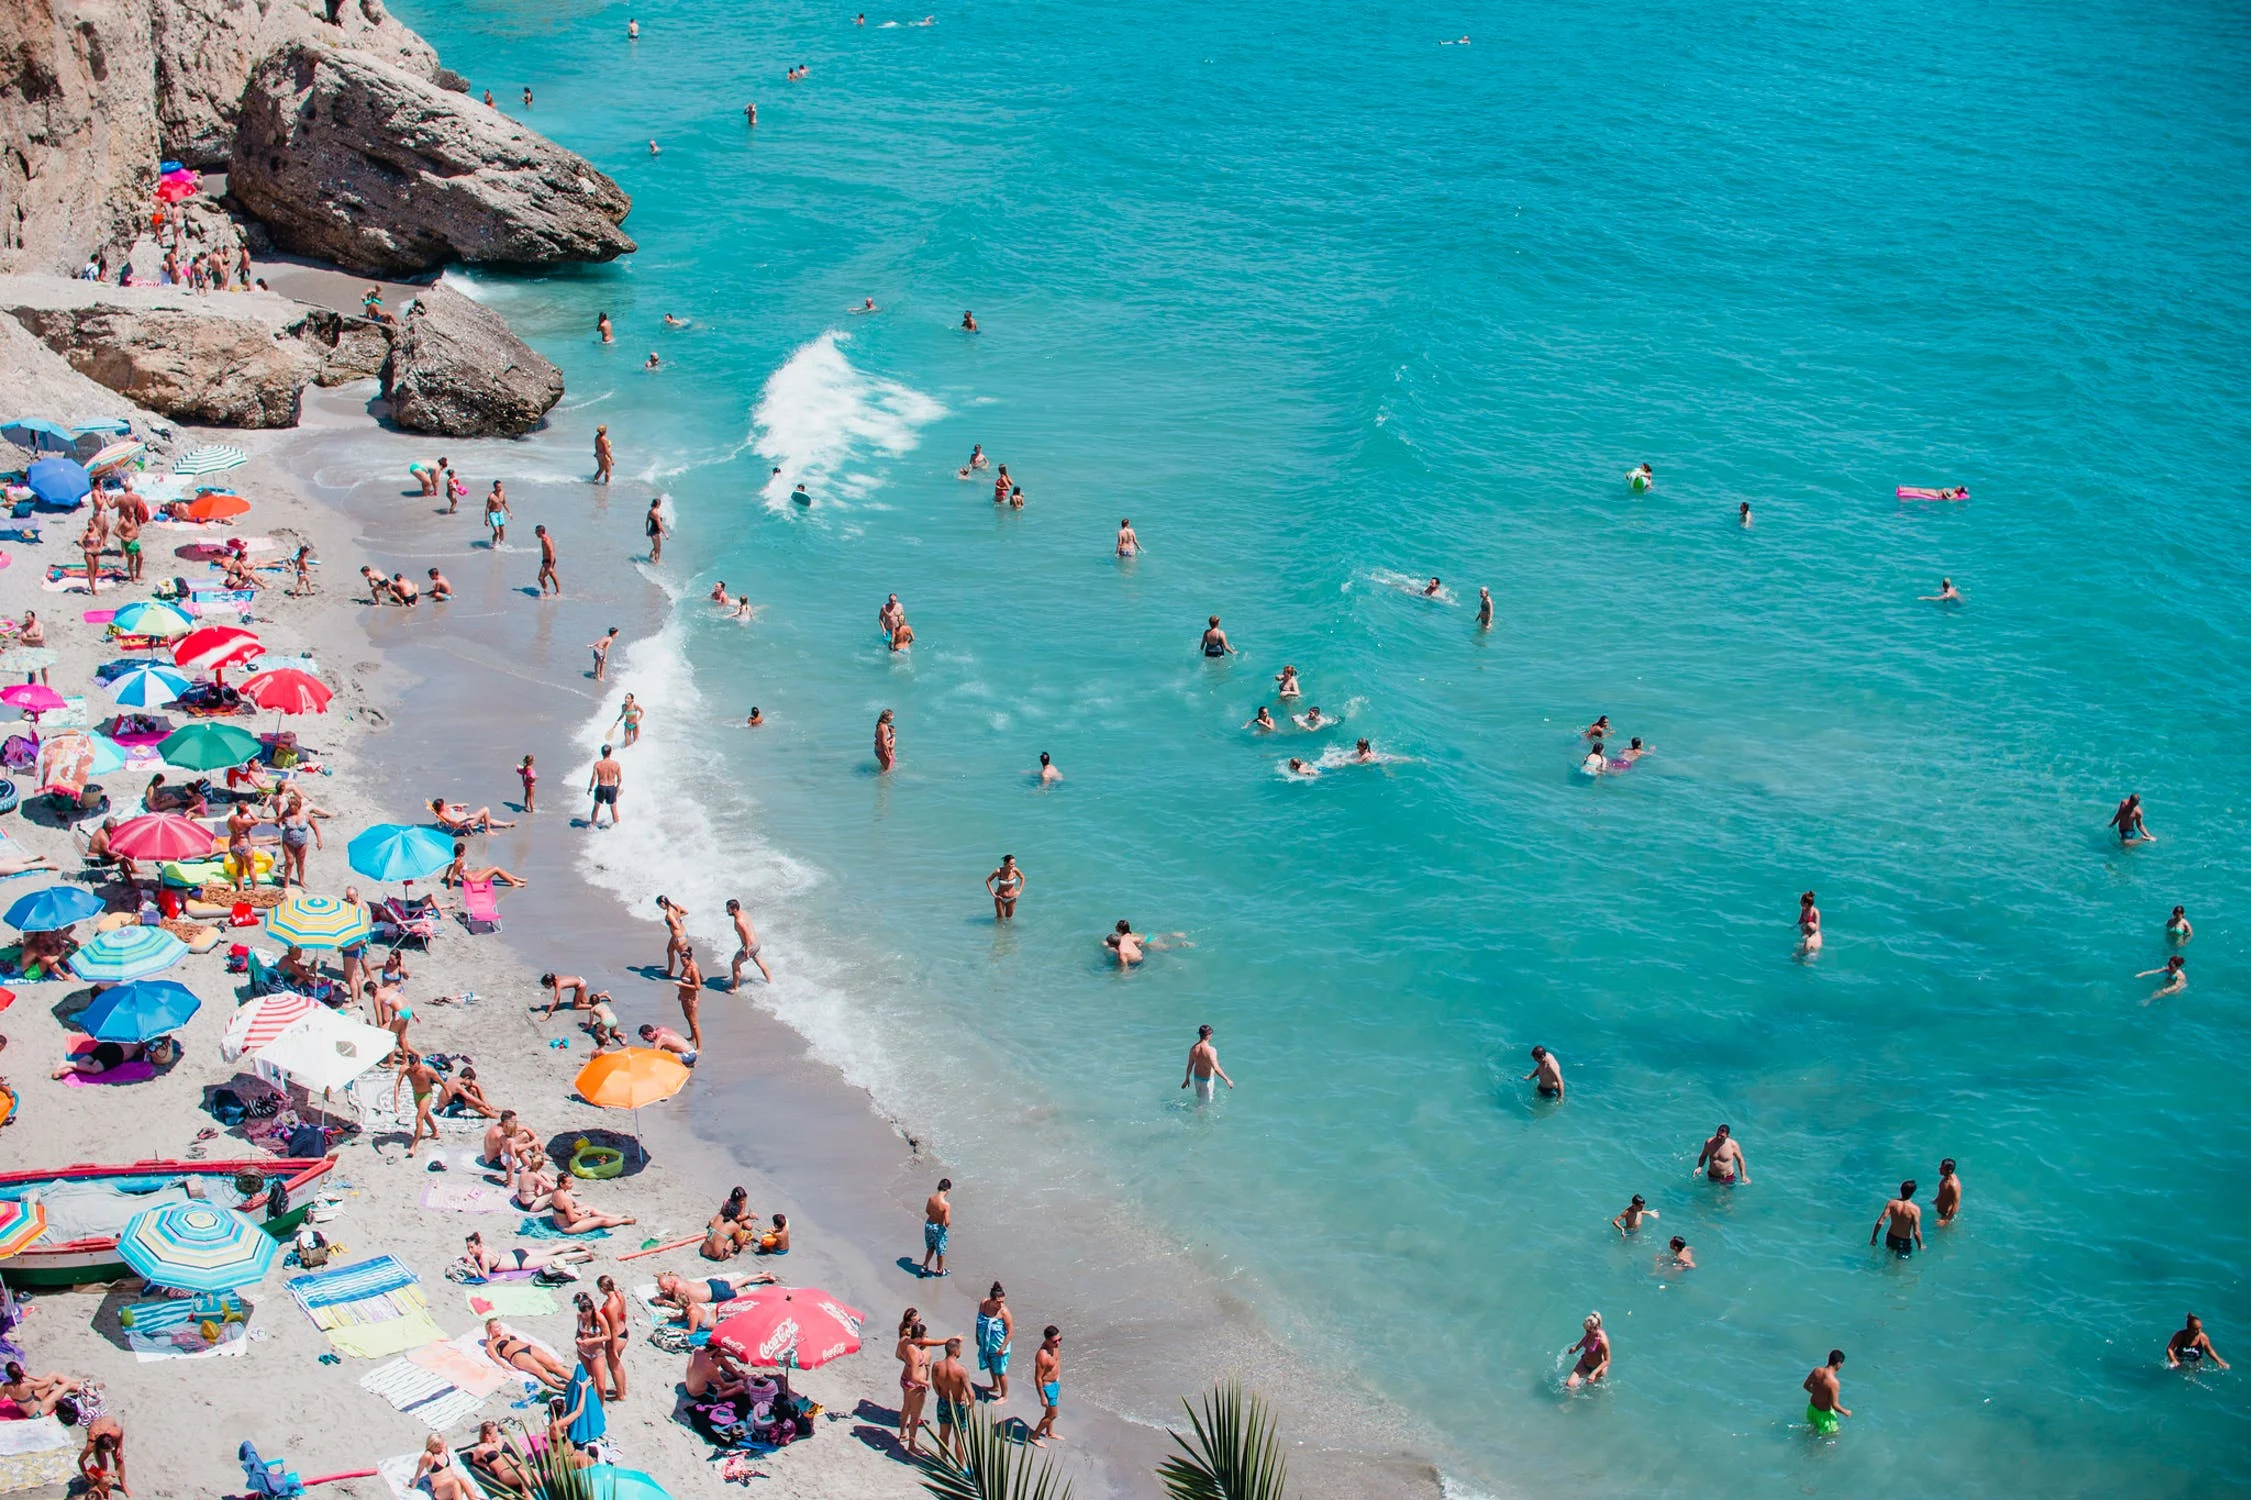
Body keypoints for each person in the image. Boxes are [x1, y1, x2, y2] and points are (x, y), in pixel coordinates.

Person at [897, 1315, 947, 1455]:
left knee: (906, 1407)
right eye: (924, 1336)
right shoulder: (914, 1352)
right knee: (915, 1415)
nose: (926, 1338)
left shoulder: (904, 1340)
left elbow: (898, 1355)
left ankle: (902, 1434)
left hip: (905, 1379)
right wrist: (925, 1382)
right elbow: (914, 1376)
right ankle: (912, 1445)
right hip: (915, 1385)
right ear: (919, 1338)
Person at [483, 1319, 574, 1391]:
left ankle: (575, 1379)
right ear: (490, 1329)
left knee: (554, 1365)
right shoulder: (490, 1343)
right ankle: (560, 1387)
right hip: (517, 1355)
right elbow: (496, 1358)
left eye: (500, 1326)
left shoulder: (507, 1334)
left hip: (529, 1348)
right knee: (540, 1370)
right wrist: (506, 1366)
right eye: (496, 1327)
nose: (499, 1328)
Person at [931, 1337, 975, 1462]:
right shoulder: (961, 1371)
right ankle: (960, 1467)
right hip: (958, 1405)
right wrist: (969, 1406)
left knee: (943, 1434)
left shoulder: (936, 1366)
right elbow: (971, 1394)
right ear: (956, 1351)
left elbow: (935, 1385)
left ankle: (943, 1460)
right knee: (959, 1438)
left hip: (943, 1402)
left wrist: (941, 1395)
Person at [549, 1176, 636, 1234]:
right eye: (569, 1183)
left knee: (588, 1207)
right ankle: (623, 1221)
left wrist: (578, 1211)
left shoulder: (556, 1191)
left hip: (557, 1221)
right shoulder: (565, 1198)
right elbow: (572, 1219)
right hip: (567, 1227)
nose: (572, 1185)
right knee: (601, 1221)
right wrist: (584, 1216)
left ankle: (615, 1216)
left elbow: (563, 1210)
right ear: (561, 1184)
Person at [0, 1362, 84, 1416]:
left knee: (53, 1374)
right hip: (38, 1411)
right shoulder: (27, 1385)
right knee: (67, 1384)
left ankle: (79, 1382)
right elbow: (46, 1383)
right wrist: (29, 1376)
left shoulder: (5, 1386)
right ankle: (85, 1388)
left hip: (30, 1405)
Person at [976, 1283, 1014, 1401]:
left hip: (999, 1346)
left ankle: (1004, 1396)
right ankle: (995, 1386)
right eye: (998, 1302)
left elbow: (1010, 1331)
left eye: (1002, 1301)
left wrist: (1002, 1347)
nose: (1001, 1304)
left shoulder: (1004, 1312)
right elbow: (978, 1321)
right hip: (987, 1343)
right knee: (991, 1365)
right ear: (991, 1300)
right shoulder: (984, 1304)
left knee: (1000, 1371)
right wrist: (977, 1336)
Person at [76, 1414, 126, 1499]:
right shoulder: (91, 1446)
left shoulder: (114, 1432)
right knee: (103, 1466)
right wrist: (86, 1475)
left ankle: (124, 1485)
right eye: (107, 1451)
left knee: (119, 1459)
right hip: (95, 1429)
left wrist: (119, 1448)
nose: (110, 1452)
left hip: (108, 1422)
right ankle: (105, 1488)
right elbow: (80, 1461)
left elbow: (121, 1431)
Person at [1871, 1180, 1924, 1256]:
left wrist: (1874, 1237)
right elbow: (1916, 1232)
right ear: (1912, 1192)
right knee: (1901, 1265)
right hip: (1904, 1241)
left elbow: (1880, 1222)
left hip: (1890, 1237)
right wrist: (1920, 1245)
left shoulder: (1892, 1203)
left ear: (1901, 1190)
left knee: (1888, 1258)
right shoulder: (1915, 1209)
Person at [413, 1433, 474, 1500]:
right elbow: (418, 1473)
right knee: (455, 1483)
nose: (442, 1446)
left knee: (463, 1480)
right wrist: (413, 1486)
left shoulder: (443, 1449)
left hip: (454, 1488)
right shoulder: (428, 1456)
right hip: (441, 1492)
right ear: (433, 1446)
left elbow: (443, 1441)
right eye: (439, 1445)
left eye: (442, 1444)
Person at [727, 898, 771, 986]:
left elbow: (746, 934)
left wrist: (747, 950)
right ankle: (770, 982)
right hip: (756, 942)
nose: (727, 911)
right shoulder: (744, 913)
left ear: (734, 909)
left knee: (735, 963)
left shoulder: (739, 920)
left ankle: (735, 987)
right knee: (759, 961)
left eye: (728, 909)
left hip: (749, 945)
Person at [1182, 1023, 1233, 1101]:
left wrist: (1187, 1079)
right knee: (1207, 1103)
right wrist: (1227, 1079)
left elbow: (1190, 1066)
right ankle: (1197, 1112)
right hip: (1207, 1080)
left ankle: (1198, 1110)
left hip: (1197, 1078)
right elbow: (1216, 1068)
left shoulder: (1193, 1049)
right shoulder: (1211, 1050)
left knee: (1199, 1099)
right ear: (1208, 1035)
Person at [1804, 1350, 1850, 1434]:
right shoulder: (1834, 1383)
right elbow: (1834, 1405)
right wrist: (1846, 1412)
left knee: (1811, 1432)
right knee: (1831, 1438)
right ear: (1838, 1364)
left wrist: (1818, 1394)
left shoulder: (1816, 1371)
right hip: (1825, 1416)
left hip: (1812, 1410)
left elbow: (1806, 1386)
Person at [1031, 1325, 1062, 1444]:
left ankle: (1049, 1432)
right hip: (1048, 1387)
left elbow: (1056, 1363)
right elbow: (1038, 1378)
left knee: (1049, 1412)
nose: (1058, 1343)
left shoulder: (1054, 1347)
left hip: (1055, 1384)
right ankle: (1034, 1436)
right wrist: (1042, 1397)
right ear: (1047, 1340)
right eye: (1055, 1341)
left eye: (1060, 1339)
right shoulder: (1042, 1356)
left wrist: (1058, 1378)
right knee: (1053, 1415)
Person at [1564, 1313, 1609, 1388]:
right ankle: (1569, 1400)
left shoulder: (1603, 1341)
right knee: (1569, 1385)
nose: (1587, 1332)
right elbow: (1585, 1338)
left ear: (1595, 1328)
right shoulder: (1590, 1332)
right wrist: (1576, 1348)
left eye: (1588, 1331)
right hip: (1585, 1363)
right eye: (1586, 1330)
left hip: (1598, 1368)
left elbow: (1607, 1360)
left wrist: (1594, 1373)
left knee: (1593, 1392)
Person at [675, 946, 704, 1050]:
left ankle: (699, 1047)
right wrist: (680, 992)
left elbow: (697, 986)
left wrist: (681, 985)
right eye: (681, 962)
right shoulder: (686, 967)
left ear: (689, 959)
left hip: (691, 999)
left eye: (683, 962)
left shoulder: (693, 969)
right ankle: (692, 1037)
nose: (682, 964)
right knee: (688, 1018)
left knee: (694, 1023)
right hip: (684, 997)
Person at [588, 743, 623, 827]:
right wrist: (617, 788)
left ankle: (592, 825)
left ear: (602, 752)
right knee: (613, 808)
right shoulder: (616, 764)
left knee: (596, 807)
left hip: (601, 787)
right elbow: (620, 779)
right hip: (611, 788)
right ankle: (617, 826)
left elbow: (593, 778)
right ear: (610, 752)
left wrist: (590, 788)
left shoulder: (598, 764)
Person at [923, 1179, 952, 1277]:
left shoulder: (931, 1198)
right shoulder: (946, 1205)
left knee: (930, 1247)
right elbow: (947, 1223)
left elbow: (927, 1210)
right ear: (948, 1190)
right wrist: (945, 1221)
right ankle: (940, 1270)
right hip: (938, 1228)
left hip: (929, 1225)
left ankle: (924, 1266)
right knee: (940, 1251)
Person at [987, 854, 1025, 920]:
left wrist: (1019, 891)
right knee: (1000, 918)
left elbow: (1023, 878)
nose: (1013, 866)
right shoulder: (999, 871)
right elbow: (988, 881)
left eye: (1014, 864)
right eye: (1011, 864)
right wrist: (993, 894)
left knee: (1009, 918)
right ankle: (997, 930)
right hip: (1000, 898)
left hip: (1012, 898)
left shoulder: (1015, 870)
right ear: (1005, 863)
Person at [1934, 1159, 1962, 1224]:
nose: (1939, 1168)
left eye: (1942, 1168)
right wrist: (1936, 1200)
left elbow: (1956, 1205)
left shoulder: (1953, 1185)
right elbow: (1943, 1192)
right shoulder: (1946, 1177)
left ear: (1949, 1171)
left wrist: (1945, 1220)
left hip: (1946, 1215)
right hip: (1940, 1212)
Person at [536, 525, 560, 595]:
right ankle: (550, 592)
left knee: (541, 577)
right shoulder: (544, 539)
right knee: (550, 575)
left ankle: (549, 592)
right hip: (546, 560)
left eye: (536, 531)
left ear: (540, 532)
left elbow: (551, 552)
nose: (535, 533)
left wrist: (551, 565)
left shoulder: (546, 540)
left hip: (549, 561)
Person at [1797, 890, 1822, 955]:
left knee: (1808, 952)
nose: (1799, 902)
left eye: (1801, 901)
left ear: (1806, 904)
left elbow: (1817, 929)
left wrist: (1811, 939)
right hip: (1806, 932)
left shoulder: (1815, 912)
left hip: (1813, 934)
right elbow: (1800, 921)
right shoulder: (1804, 910)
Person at [645, 499, 667, 563]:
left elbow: (646, 522)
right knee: (658, 549)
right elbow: (660, 526)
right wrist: (665, 534)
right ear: (657, 504)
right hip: (656, 532)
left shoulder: (649, 512)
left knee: (655, 548)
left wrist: (647, 531)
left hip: (651, 531)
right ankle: (656, 563)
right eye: (659, 504)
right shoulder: (656, 513)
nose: (660, 505)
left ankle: (649, 560)